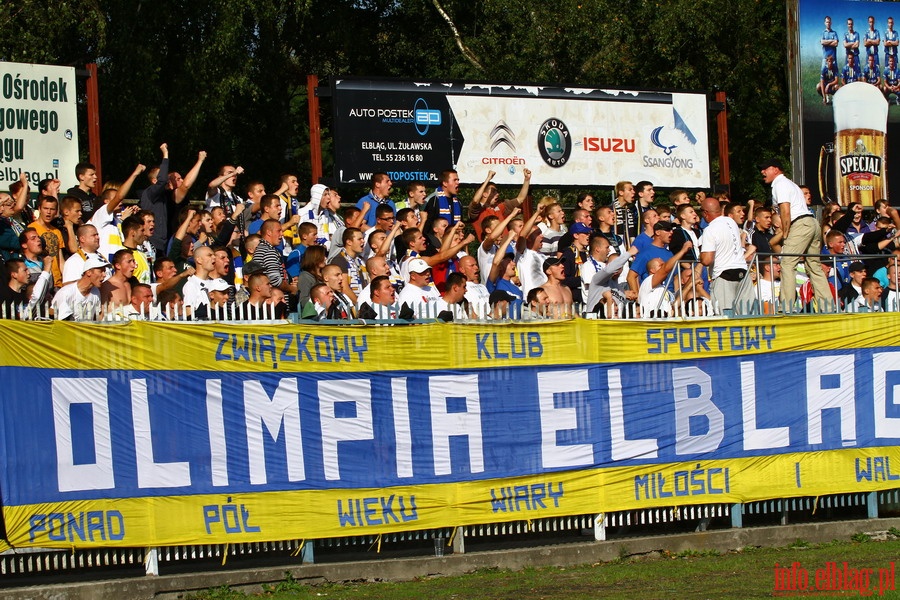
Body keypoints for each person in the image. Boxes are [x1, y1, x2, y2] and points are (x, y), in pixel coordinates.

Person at [760, 158, 832, 311]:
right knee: (814, 266)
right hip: (811, 222)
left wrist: (785, 233)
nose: (762, 172)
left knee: (787, 263)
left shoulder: (780, 184)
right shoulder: (791, 184)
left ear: (776, 169)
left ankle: (786, 306)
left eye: (765, 168)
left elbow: (786, 210)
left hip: (799, 224)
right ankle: (827, 305)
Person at [700, 197, 750, 314]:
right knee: (747, 313)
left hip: (723, 274)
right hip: (742, 271)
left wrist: (700, 256)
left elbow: (707, 260)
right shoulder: (731, 222)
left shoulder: (710, 229)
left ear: (705, 213)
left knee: (724, 314)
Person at [638, 241, 693, 318]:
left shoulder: (664, 289)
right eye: (661, 265)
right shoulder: (648, 282)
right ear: (652, 270)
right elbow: (665, 269)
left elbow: (675, 306)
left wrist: (690, 285)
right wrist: (683, 251)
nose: (664, 267)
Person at [52, 256, 106, 320]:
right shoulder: (66, 293)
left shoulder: (96, 292)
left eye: (104, 271)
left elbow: (96, 317)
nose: (104, 275)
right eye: (101, 271)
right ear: (88, 272)